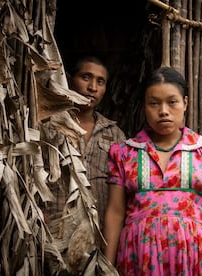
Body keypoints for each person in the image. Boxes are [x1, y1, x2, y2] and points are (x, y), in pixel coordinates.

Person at [103, 66, 202, 275]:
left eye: (172, 102)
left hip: (193, 257)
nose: (163, 111)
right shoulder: (124, 153)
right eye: (154, 103)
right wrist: (107, 267)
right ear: (144, 106)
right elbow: (115, 212)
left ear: (185, 104)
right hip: (138, 256)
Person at [67, 55, 126, 229]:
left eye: (100, 82)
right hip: (55, 228)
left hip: (98, 231)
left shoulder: (115, 134)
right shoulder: (50, 126)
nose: (92, 87)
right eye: (86, 77)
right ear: (70, 80)